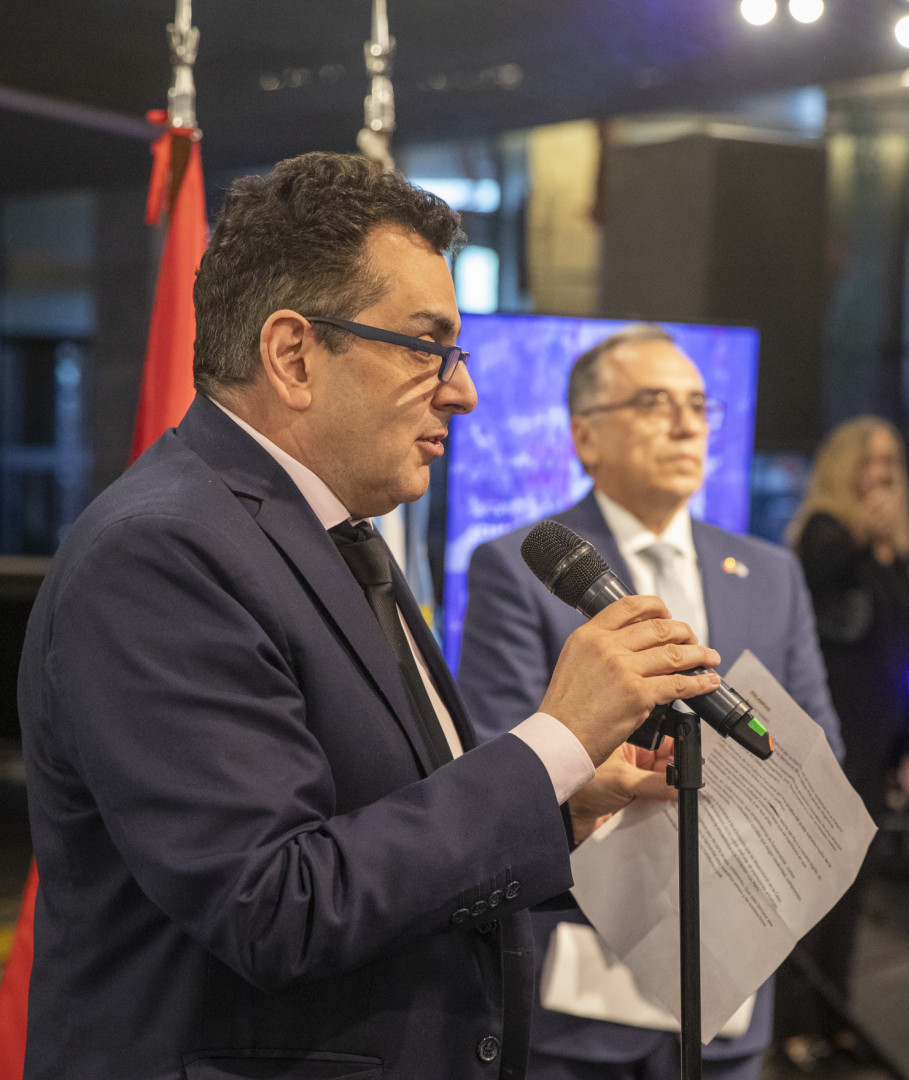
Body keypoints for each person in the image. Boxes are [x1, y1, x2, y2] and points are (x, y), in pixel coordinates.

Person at [15, 153, 723, 1080]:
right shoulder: (159, 553)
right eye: (426, 347)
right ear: (293, 355)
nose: (461, 390)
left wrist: (561, 801)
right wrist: (553, 741)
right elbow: (277, 906)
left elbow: (369, 820)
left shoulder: (327, 530)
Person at [456, 325, 842, 1080]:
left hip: (731, 963)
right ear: (585, 436)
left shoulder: (770, 573)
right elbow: (501, 750)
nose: (686, 424)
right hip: (587, 975)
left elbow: (818, 741)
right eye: (654, 403)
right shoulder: (521, 568)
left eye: (698, 405)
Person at [775, 415, 909, 1073]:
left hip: (877, 732)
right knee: (813, 883)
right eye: (871, 461)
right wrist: (867, 538)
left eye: (890, 462)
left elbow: (905, 649)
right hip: (832, 731)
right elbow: (823, 603)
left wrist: (908, 744)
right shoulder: (826, 535)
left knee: (850, 887)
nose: (881, 474)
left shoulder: (892, 551)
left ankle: (835, 1018)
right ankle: (795, 1024)